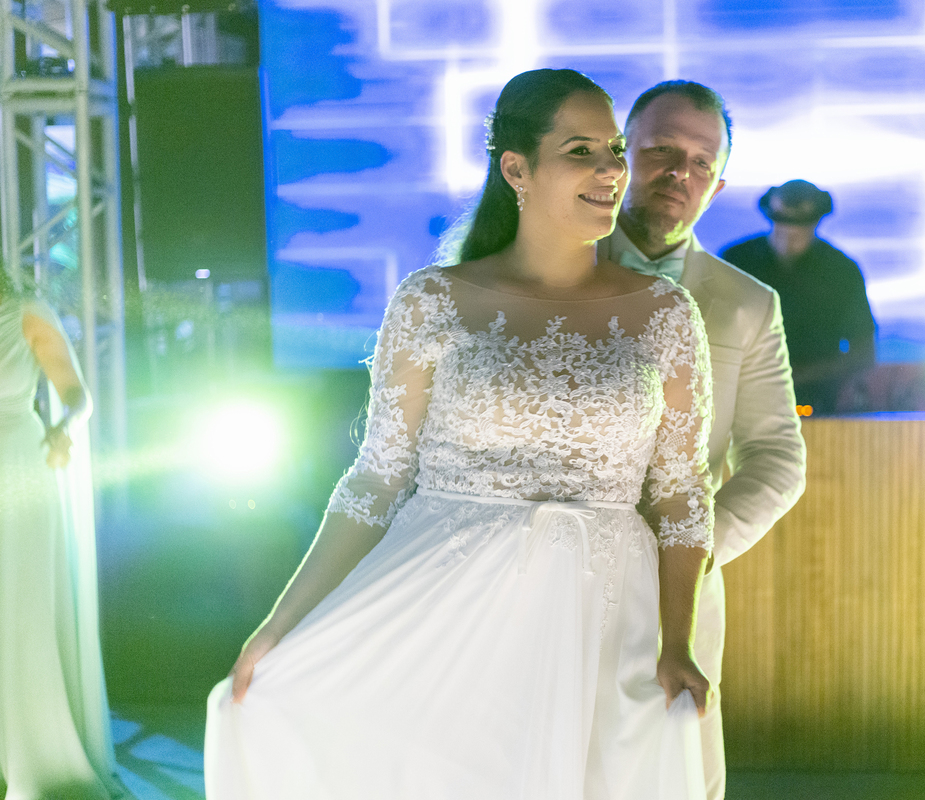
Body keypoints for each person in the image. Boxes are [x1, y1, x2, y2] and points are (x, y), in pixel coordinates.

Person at [206, 68, 713, 800]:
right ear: (516, 169)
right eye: (580, 151)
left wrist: (678, 641)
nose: (610, 170)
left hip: (604, 622)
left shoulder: (666, 313)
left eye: (612, 149)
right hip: (443, 616)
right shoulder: (432, 301)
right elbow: (376, 479)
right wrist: (282, 624)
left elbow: (681, 494)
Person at [596, 82, 807, 800]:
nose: (677, 172)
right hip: (543, 575)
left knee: (669, 773)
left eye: (699, 161)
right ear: (621, 155)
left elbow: (778, 457)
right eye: (660, 150)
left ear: (716, 186)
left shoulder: (749, 304)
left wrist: (694, 549)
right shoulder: (542, 270)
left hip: (675, 601)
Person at [0, 266, 124, 800]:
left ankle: (32, 754)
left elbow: (78, 395)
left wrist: (64, 428)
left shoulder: (24, 314)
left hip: (17, 468)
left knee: (20, 612)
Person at [720, 180, 877, 415]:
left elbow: (863, 351)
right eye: (783, 221)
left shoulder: (842, 271)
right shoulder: (736, 261)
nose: (791, 233)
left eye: (799, 223)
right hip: (741, 402)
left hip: (819, 403)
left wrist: (802, 375)